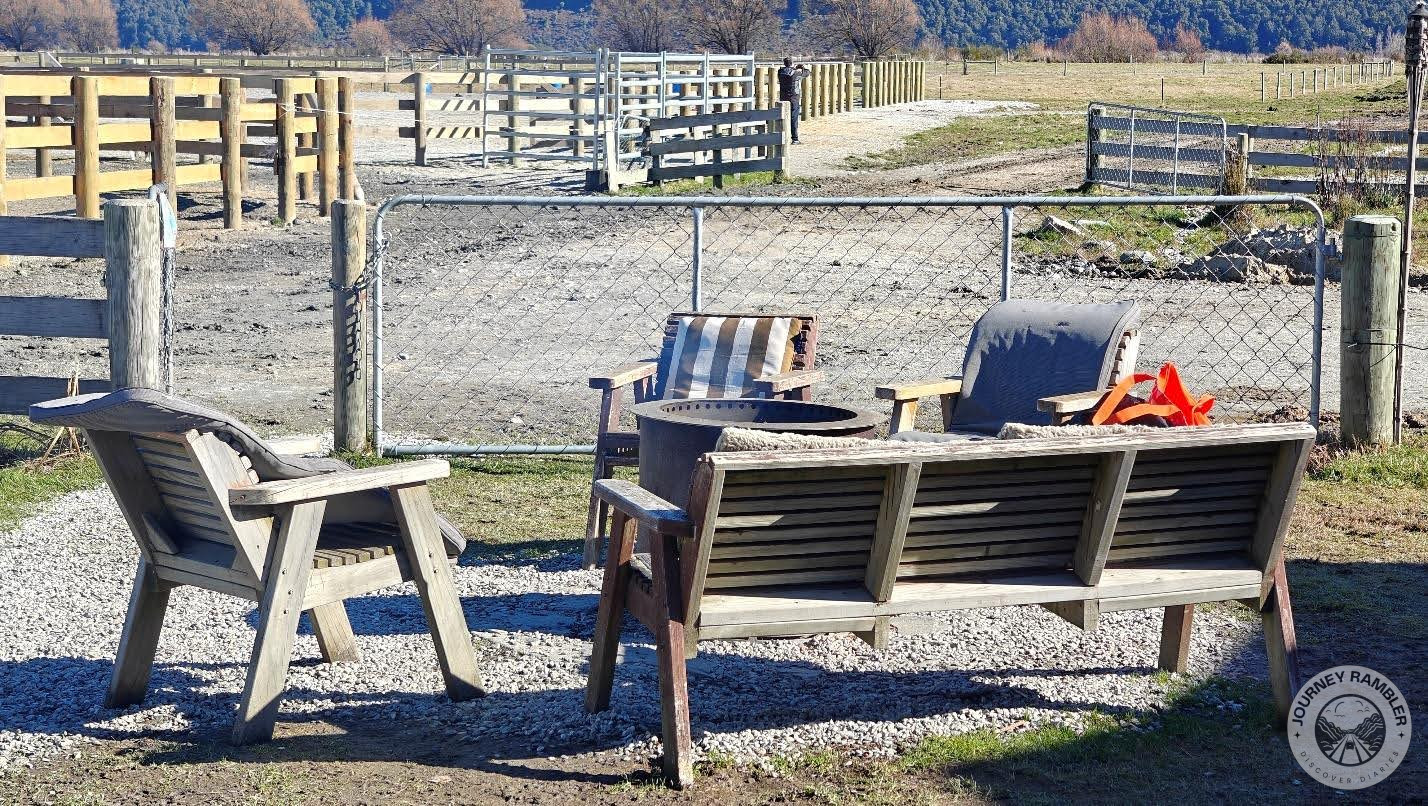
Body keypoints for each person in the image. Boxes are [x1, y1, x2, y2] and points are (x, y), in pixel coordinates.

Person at [776, 57, 810, 144]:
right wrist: (801, 67)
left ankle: (781, 137)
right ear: (792, 63)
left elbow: (787, 71)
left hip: (783, 97)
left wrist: (794, 67)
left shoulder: (780, 72)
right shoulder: (796, 73)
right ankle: (795, 139)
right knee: (793, 118)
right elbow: (806, 73)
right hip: (794, 98)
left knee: (783, 117)